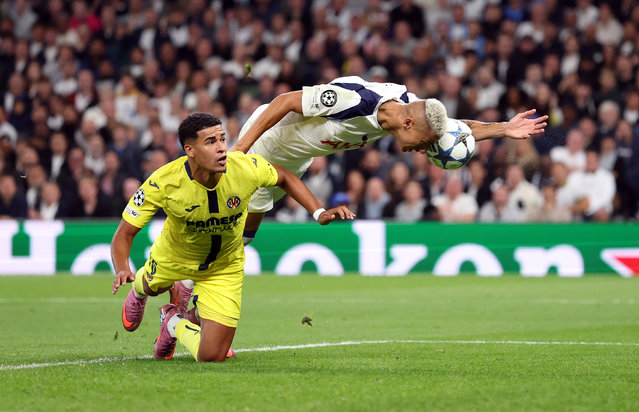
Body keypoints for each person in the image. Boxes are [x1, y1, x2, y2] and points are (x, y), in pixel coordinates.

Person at [111, 113, 354, 362]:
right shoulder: (163, 182)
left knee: (212, 356)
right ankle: (139, 293)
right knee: (152, 287)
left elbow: (284, 177)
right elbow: (124, 233)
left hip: (224, 268)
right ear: (190, 150)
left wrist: (319, 211)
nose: (221, 148)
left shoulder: (244, 167)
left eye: (222, 139)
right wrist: (121, 269)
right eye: (210, 142)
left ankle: (172, 322)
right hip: (174, 258)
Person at [231, 76, 548, 242]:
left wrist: (504, 128)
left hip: (296, 160)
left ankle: (194, 289)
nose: (422, 151)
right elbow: (285, 101)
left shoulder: (410, 107)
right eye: (423, 143)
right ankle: (190, 288)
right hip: (266, 142)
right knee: (229, 225)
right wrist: (240, 148)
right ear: (409, 124)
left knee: (245, 236)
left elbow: (459, 128)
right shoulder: (354, 102)